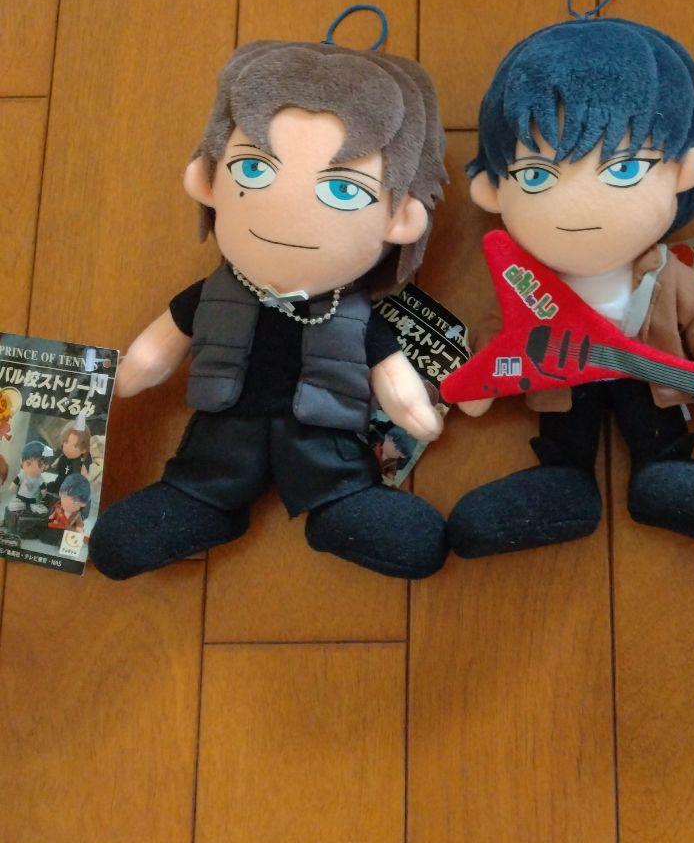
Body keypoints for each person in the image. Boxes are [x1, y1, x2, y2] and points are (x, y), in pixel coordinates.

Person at [89, 33, 451, 581]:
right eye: (254, 170)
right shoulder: (212, 294)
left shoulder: (353, 314)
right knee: (208, 464)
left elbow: (395, 381)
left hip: (323, 431)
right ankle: (202, 501)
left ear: (400, 219)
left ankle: (341, 506)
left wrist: (414, 414)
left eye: (344, 190)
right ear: (208, 180)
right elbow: (149, 358)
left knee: (336, 472)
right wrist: (114, 380)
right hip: (225, 420)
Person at [448, 8, 694, 560]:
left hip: (645, 369)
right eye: (536, 175)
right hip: (561, 377)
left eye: (624, 168)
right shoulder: (524, 280)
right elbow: (502, 329)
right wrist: (480, 381)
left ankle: (666, 474)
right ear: (493, 191)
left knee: (655, 421)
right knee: (565, 428)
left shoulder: (662, 270)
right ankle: (562, 483)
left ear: (683, 172)